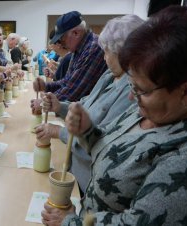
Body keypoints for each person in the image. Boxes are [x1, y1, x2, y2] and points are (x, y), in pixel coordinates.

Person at [42, 6, 187, 226]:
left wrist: (71, 222)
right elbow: (108, 144)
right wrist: (88, 131)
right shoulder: (153, 109)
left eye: (141, 90)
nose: (130, 96)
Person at [34, 14, 143, 194]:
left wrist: (57, 131)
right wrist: (59, 106)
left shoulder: (132, 90)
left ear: (127, 54)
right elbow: (84, 103)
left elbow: (102, 139)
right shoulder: (110, 75)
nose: (105, 58)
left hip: (89, 183)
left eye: (108, 52)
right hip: (74, 171)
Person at [33, 11, 107, 101]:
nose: (61, 42)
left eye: (62, 38)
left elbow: (74, 91)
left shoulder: (93, 48)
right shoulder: (78, 49)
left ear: (76, 33)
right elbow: (67, 81)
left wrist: (45, 101)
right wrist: (45, 86)